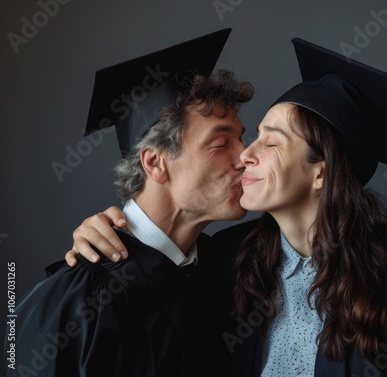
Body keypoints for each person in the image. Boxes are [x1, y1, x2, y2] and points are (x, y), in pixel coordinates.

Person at [62, 39, 387, 376]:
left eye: (269, 141)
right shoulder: (226, 267)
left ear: (321, 172)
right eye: (246, 139)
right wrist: (110, 232)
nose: (245, 154)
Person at [5, 28, 252, 377]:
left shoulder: (226, 270)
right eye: (220, 143)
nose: (246, 156)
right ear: (155, 163)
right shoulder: (78, 295)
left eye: (242, 139)